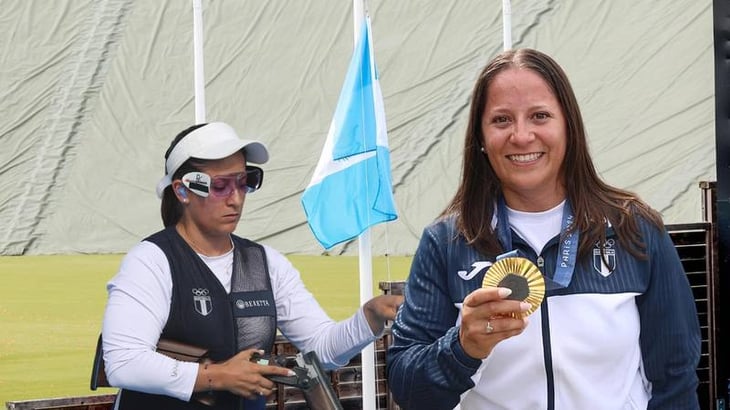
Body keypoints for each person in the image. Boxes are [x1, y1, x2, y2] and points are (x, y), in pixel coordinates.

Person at [386, 48, 701, 410]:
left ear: (568, 126)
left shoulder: (634, 229)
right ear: (481, 139)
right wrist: (461, 348)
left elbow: (676, 377)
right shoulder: (447, 242)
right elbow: (408, 389)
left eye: (540, 116)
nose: (522, 136)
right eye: (502, 120)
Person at [101, 121, 403, 409]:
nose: (235, 199)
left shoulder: (267, 263)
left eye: (245, 182)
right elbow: (124, 363)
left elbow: (321, 349)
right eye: (220, 186)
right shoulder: (151, 260)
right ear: (182, 191)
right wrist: (216, 377)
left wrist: (371, 317)